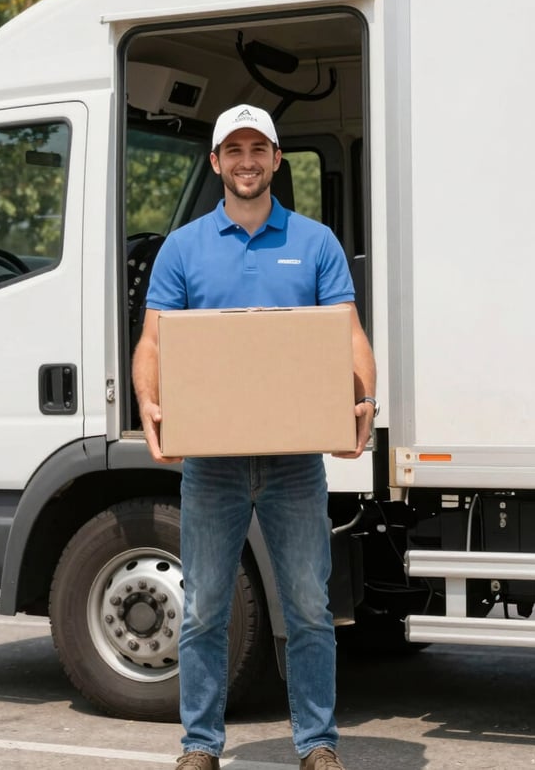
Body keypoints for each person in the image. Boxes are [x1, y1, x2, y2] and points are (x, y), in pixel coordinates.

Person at [132, 104, 377, 770]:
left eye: (258, 149)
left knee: (309, 609)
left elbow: (348, 333)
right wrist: (149, 402)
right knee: (205, 609)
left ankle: (318, 744)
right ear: (216, 162)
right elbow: (153, 343)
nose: (246, 161)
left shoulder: (315, 242)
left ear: (276, 159)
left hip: (295, 461)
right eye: (234, 150)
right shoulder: (183, 248)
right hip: (212, 462)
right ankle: (199, 747)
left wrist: (363, 400)